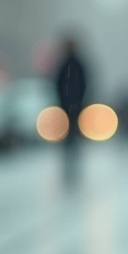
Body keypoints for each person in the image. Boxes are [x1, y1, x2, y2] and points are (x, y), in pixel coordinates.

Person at [54, 35, 88, 185]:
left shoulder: (70, 64)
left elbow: (84, 83)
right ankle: (70, 158)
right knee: (69, 134)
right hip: (70, 105)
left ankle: (72, 158)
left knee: (72, 133)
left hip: (72, 105)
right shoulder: (69, 64)